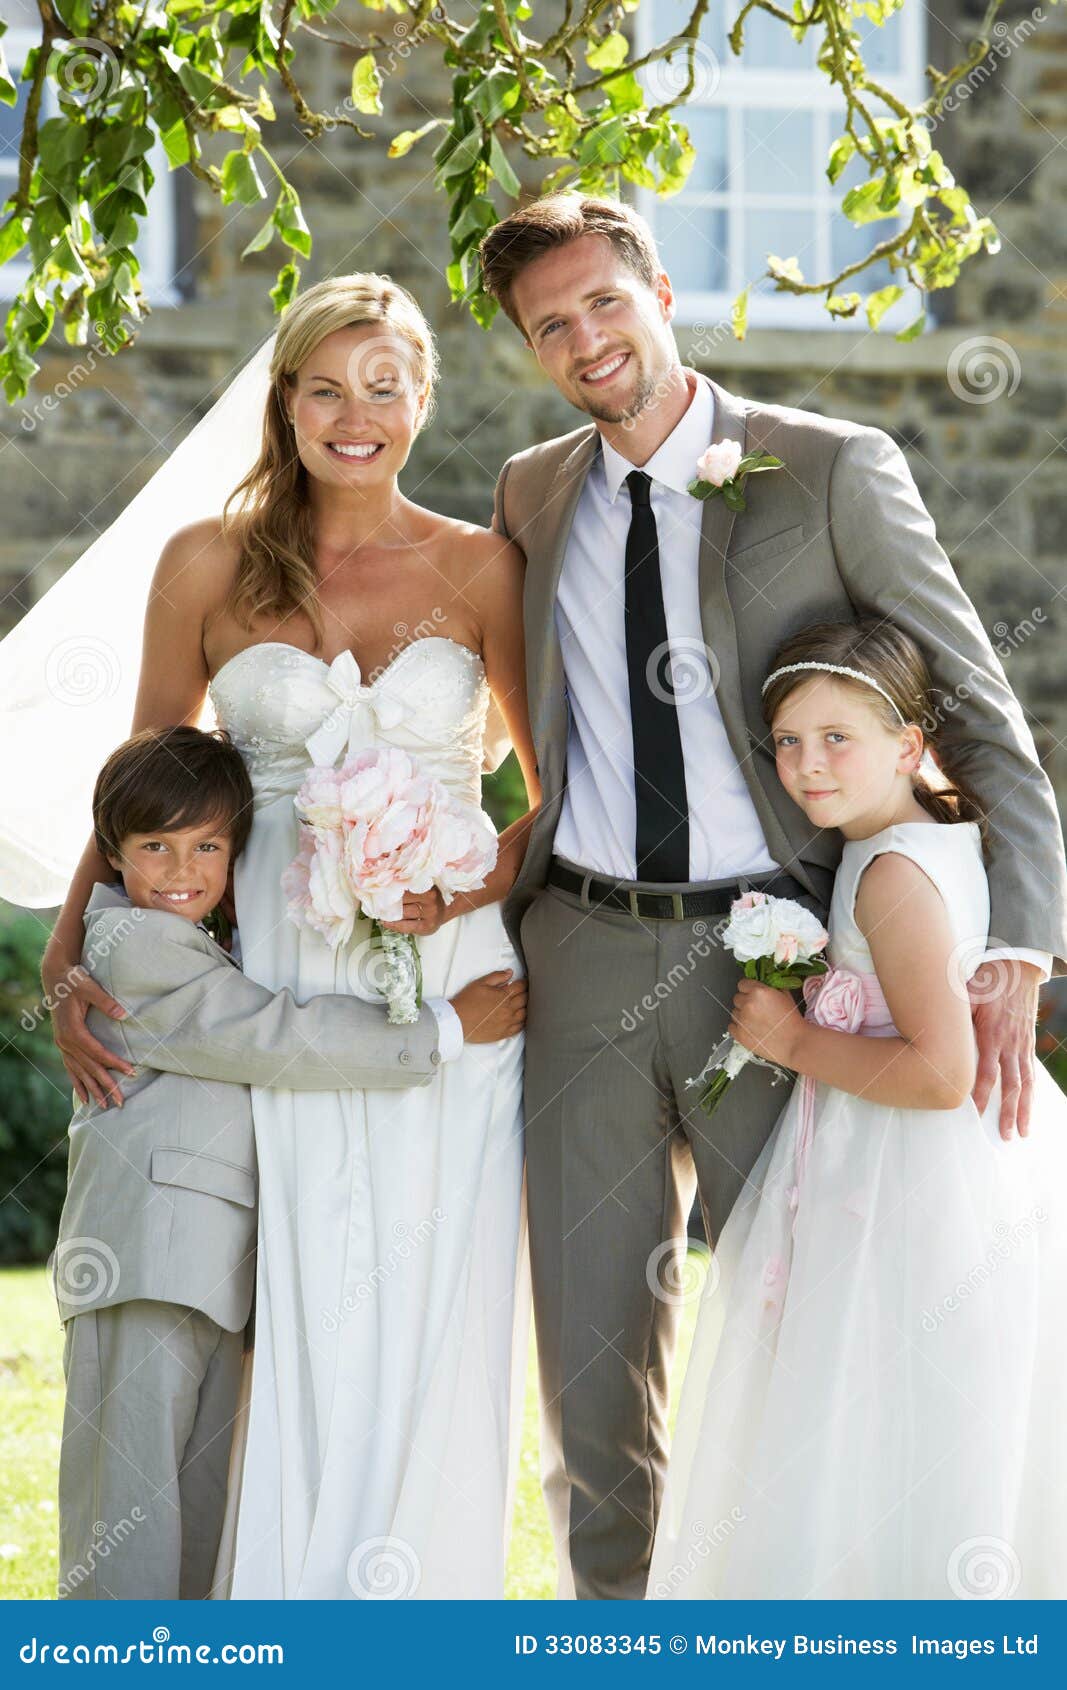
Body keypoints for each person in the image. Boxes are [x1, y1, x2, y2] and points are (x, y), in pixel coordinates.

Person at [478, 192, 1067, 1600]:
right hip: (581, 949)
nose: (585, 339)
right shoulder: (530, 492)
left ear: (661, 293)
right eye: (549, 325)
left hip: (778, 957)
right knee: (589, 1353)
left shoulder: (827, 466)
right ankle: (618, 1632)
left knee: (810, 1337)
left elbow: (974, 709)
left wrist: (1022, 943)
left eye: (603, 302)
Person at [34, 273, 539, 1598]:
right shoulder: (206, 561)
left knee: (426, 1291)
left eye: (382, 387)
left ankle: (406, 1604)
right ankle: (266, 1602)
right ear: (286, 402)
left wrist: (468, 888)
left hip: (448, 968)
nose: (353, 416)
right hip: (269, 960)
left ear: (421, 400)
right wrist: (73, 944)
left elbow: (548, 798)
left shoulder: (482, 567)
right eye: (324, 388)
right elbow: (145, 776)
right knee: (290, 1285)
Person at [648, 617, 1067, 1600]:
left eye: (837, 738)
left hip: (906, 1172)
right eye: (787, 741)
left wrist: (792, 1041)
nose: (806, 765)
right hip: (948, 1165)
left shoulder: (888, 875)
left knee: (868, 1405)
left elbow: (938, 1073)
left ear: (908, 745)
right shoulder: (929, 841)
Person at [55, 725, 524, 1600]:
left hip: (204, 1269)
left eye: (207, 846)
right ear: (111, 854)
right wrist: (445, 1026)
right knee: (126, 1512)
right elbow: (271, 1036)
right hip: (144, 1261)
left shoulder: (198, 935)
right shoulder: (131, 945)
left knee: (195, 1505)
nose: (182, 869)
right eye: (154, 847)